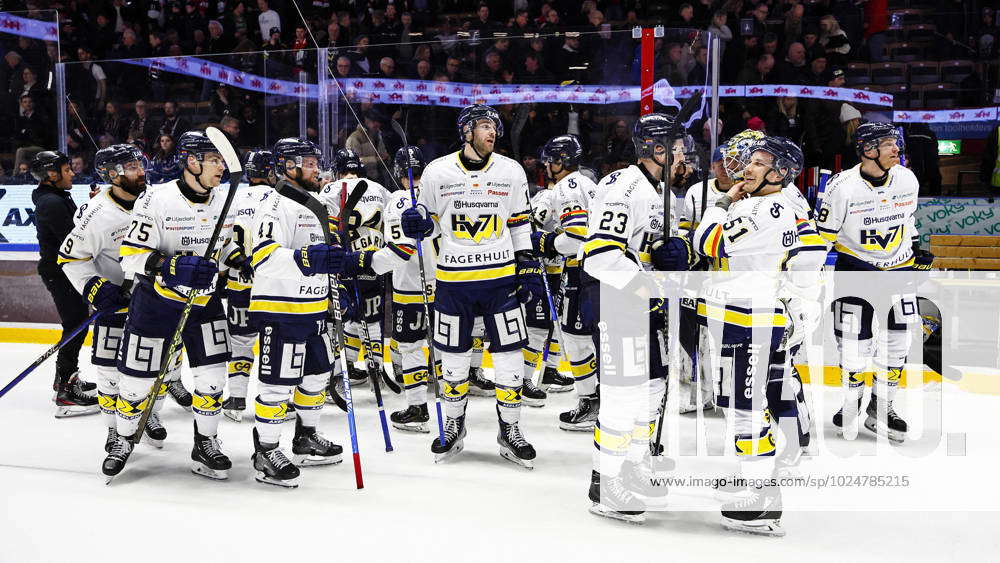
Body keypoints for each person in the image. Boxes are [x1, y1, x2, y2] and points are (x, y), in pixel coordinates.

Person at [400, 104, 542, 468]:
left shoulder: (511, 171)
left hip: (499, 281)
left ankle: (509, 429)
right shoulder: (437, 172)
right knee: (454, 361)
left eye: (494, 126)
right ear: (466, 132)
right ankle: (453, 425)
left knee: (511, 361)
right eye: (483, 126)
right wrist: (415, 224)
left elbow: (519, 224)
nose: (492, 131)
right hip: (454, 282)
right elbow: (429, 224)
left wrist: (526, 264)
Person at [101, 131, 236, 481]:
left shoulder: (225, 201)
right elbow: (131, 255)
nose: (221, 166)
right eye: (215, 160)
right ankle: (124, 437)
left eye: (222, 160)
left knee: (212, 378)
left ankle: (205, 442)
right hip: (156, 303)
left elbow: (226, 250)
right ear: (193, 162)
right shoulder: (156, 199)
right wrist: (170, 265)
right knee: (135, 383)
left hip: (204, 303)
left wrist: (239, 261)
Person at [582, 113, 697, 523]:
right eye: (677, 146)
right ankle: (605, 482)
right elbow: (599, 256)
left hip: (646, 304)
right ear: (656, 148)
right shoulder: (623, 185)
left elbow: (652, 247)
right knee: (622, 396)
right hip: (619, 304)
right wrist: (648, 287)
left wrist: (677, 252)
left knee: (650, 391)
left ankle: (632, 464)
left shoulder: (663, 189)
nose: (684, 153)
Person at [692, 136, 807, 536]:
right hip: (739, 314)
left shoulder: (770, 207)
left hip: (750, 319)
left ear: (779, 174)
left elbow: (707, 242)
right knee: (739, 405)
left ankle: (763, 497)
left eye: (759, 163)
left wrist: (720, 203)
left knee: (745, 407)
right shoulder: (758, 204)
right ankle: (755, 480)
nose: (748, 168)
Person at [816, 122, 932, 444]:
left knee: (900, 342)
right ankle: (851, 405)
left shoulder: (907, 178)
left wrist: (917, 246)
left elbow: (908, 221)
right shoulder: (842, 187)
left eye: (896, 143)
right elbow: (822, 239)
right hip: (856, 271)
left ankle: (882, 407)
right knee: (854, 347)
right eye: (888, 144)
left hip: (899, 271)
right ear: (868, 150)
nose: (897, 149)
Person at [246, 138, 345, 487]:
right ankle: (266, 451)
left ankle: (305, 437)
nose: (316, 168)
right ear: (288, 167)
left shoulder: (314, 203)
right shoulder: (275, 205)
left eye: (316, 162)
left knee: (317, 375)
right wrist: (308, 259)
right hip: (282, 308)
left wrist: (335, 278)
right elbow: (263, 256)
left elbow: (323, 255)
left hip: (314, 306)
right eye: (308, 162)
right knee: (277, 384)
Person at [59, 144, 170, 450]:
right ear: (111, 174)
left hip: (155, 303)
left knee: (155, 366)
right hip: (116, 306)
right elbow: (70, 258)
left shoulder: (157, 202)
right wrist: (96, 287)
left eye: (139, 164)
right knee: (109, 372)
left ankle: (148, 414)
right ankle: (113, 429)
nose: (140, 171)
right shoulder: (97, 214)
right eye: (131, 167)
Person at [356, 145, 439, 432]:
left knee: (412, 347)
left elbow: (400, 248)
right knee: (445, 347)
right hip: (445, 285)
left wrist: (369, 264)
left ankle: (417, 407)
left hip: (410, 287)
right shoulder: (439, 195)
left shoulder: (399, 200)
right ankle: (454, 410)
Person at [531, 134, 600, 430]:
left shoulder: (567, 187)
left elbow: (575, 238)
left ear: (561, 161)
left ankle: (590, 401)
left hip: (580, 270)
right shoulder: (587, 183)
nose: (546, 166)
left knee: (575, 336)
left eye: (549, 160)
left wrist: (546, 242)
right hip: (599, 269)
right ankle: (600, 398)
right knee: (591, 337)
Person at [318, 148, 390, 404]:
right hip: (375, 263)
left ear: (337, 169)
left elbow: (325, 227)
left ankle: (336, 375)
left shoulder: (331, 189)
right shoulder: (380, 189)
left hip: (346, 263)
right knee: (371, 317)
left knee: (338, 319)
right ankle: (376, 369)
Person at [31, 151, 99, 418]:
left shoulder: (57, 197)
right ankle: (65, 389)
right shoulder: (51, 203)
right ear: (51, 174)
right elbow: (75, 239)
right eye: (66, 169)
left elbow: (75, 228)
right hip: (60, 273)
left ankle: (66, 378)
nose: (72, 172)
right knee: (75, 325)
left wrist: (92, 208)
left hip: (63, 271)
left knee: (77, 323)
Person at [221, 150, 276, 422]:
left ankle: (236, 398)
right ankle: (273, 401)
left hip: (238, 281)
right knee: (272, 341)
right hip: (268, 284)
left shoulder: (233, 198)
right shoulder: (278, 200)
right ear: (269, 172)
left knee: (240, 341)